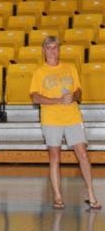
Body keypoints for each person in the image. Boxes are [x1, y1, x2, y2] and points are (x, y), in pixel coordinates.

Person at [29, 36, 101, 210]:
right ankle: (58, 196)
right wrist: (58, 101)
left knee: (83, 154)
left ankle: (91, 194)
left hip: (72, 117)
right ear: (43, 50)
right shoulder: (39, 72)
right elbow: (35, 97)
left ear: (59, 50)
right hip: (51, 119)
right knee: (55, 156)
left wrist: (73, 96)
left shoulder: (70, 68)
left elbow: (79, 92)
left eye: (55, 47)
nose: (52, 50)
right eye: (49, 47)